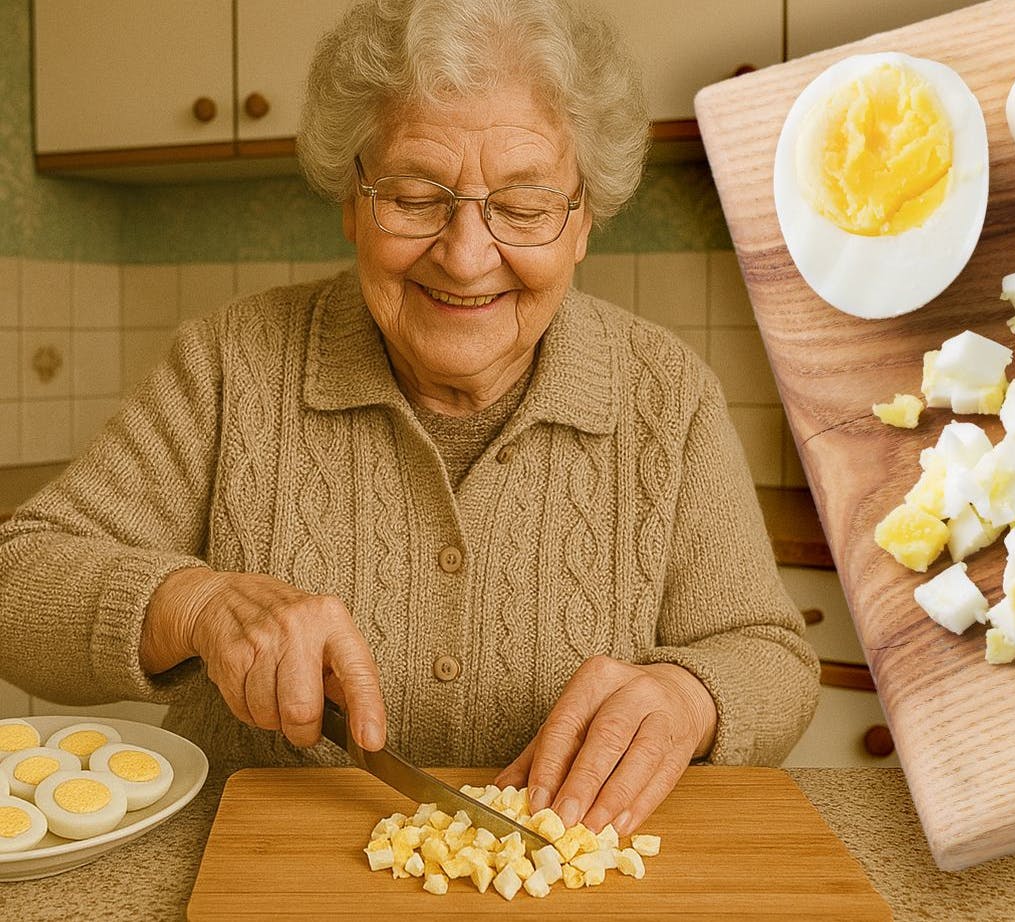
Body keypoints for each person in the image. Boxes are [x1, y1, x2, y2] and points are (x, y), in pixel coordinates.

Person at [0, 0, 818, 835]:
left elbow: (769, 656)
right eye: (415, 196)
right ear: (353, 203)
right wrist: (196, 604)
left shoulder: (666, 393)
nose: (465, 256)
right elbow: (17, 581)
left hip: (558, 889)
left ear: (584, 222)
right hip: (252, 870)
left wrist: (693, 695)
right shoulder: (229, 362)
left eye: (525, 205)